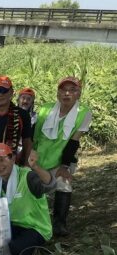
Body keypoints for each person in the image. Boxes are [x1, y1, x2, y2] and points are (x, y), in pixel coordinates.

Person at [32, 76, 92, 236]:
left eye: (72, 90)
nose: (67, 93)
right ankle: (34, 222)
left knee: (64, 183)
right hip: (38, 157)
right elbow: (34, 136)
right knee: (33, 188)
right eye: (63, 90)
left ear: (79, 94)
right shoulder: (45, 109)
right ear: (58, 93)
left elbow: (74, 142)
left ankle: (59, 224)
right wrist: (30, 156)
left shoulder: (84, 112)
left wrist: (64, 166)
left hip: (62, 159)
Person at [0, 144, 56, 255]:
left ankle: (35, 249)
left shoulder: (27, 176)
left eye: (1, 160)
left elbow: (50, 185)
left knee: (15, 250)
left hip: (35, 227)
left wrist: (35, 167)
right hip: (9, 226)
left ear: (12, 159)